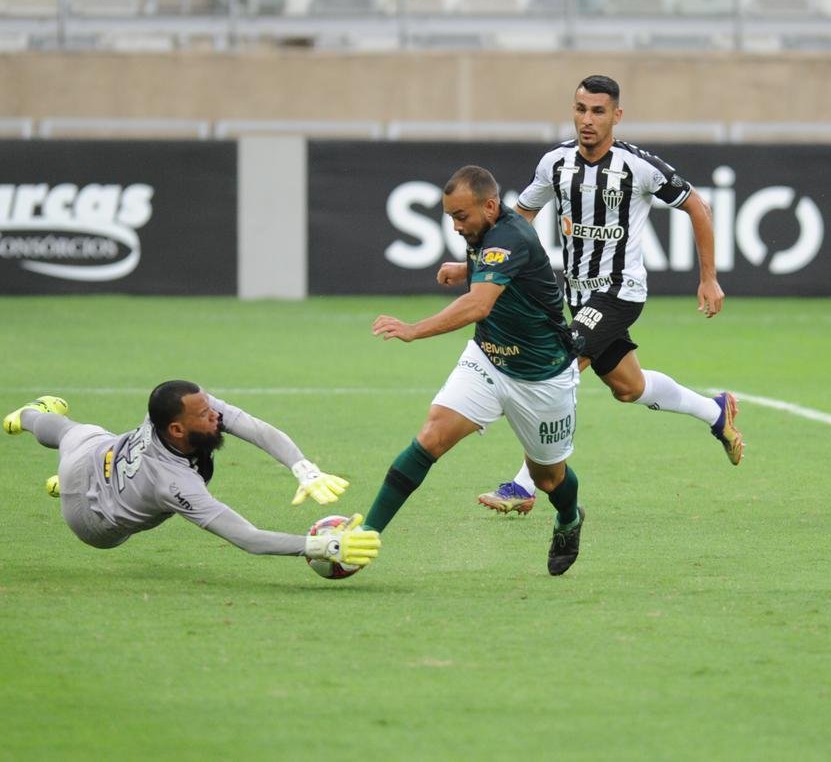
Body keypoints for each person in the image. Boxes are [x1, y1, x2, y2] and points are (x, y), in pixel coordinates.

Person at [475, 74, 743, 515]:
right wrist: (482, 262)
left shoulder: (638, 167)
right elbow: (520, 216)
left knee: (562, 365)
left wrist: (708, 278)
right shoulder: (555, 164)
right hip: (577, 295)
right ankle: (716, 411)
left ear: (616, 116)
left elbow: (697, 205)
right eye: (581, 109)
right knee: (628, 387)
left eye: (598, 111)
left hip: (620, 291)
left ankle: (525, 484)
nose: (587, 119)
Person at [365, 165, 585, 575]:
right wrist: (466, 268)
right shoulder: (483, 233)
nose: (456, 226)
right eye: (449, 217)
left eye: (461, 217)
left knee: (550, 478)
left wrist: (414, 330)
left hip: (542, 375)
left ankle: (569, 519)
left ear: (489, 206)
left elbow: (478, 305)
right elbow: (494, 271)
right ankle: (364, 536)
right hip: (487, 359)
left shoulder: (511, 234)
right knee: (431, 436)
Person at [2, 384, 380, 569]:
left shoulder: (181, 412)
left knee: (76, 432)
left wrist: (304, 469)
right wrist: (321, 547)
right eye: (204, 414)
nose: (215, 414)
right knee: (72, 439)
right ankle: (40, 438)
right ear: (177, 430)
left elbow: (254, 427)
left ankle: (30, 418)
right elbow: (248, 538)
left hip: (105, 458)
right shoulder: (174, 483)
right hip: (93, 521)